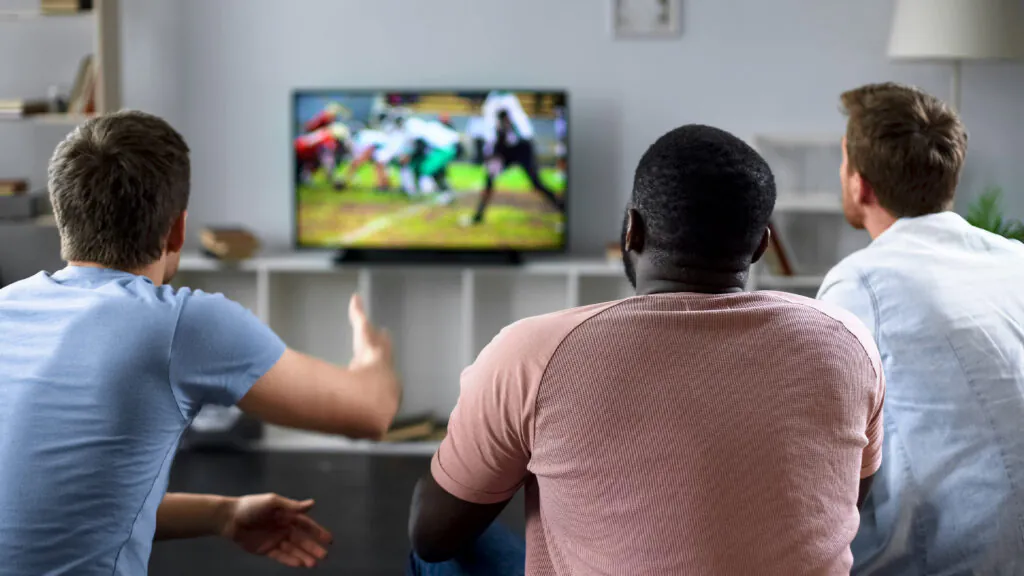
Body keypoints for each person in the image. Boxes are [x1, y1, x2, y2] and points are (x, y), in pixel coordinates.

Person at [408, 124, 885, 575]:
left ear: (631, 231)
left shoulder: (532, 353)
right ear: (760, 246)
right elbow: (847, 501)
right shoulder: (850, 344)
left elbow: (433, 536)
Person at [0, 111, 401, 575]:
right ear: (177, 230)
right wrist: (374, 357)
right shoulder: (178, 323)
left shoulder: (8, 303)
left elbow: (55, 500)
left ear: (62, 213)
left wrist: (222, 513)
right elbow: (371, 413)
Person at [817, 82, 1024, 574]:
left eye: (844, 160)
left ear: (860, 183)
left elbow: (815, 459)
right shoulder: (1016, 260)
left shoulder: (860, 284)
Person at [467, 107, 564, 226]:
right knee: (489, 181)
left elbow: (509, 145)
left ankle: (561, 205)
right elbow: (497, 149)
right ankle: (478, 215)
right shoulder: (498, 130)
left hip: (521, 153)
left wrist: (493, 158)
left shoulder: (514, 131)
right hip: (505, 156)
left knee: (536, 183)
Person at [295, 122, 351, 189]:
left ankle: (303, 177)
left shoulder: (324, 133)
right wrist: (335, 179)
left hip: (300, 152)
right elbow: (327, 162)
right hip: (298, 154)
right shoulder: (328, 141)